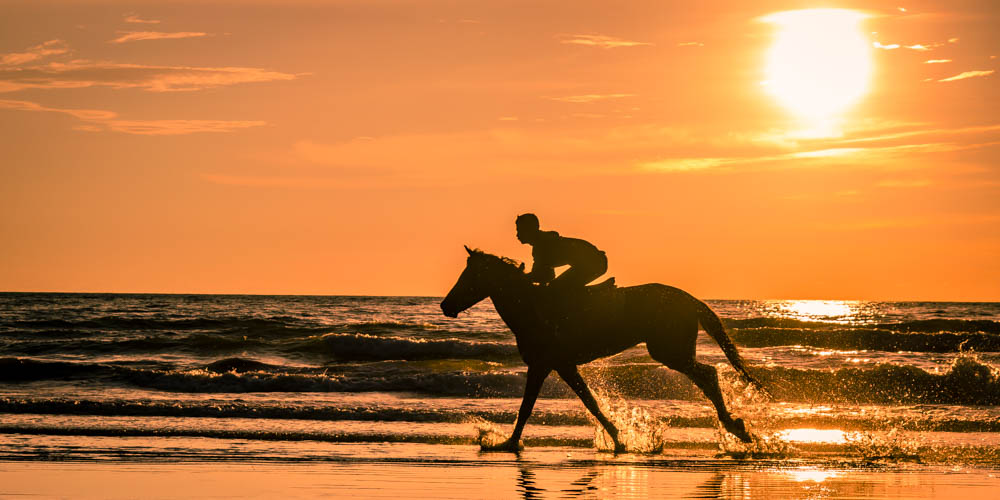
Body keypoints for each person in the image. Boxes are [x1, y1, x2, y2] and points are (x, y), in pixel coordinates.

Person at [515, 213, 608, 290]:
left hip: (595, 263)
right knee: (557, 286)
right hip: (595, 261)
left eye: (520, 230)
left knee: (556, 288)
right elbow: (547, 276)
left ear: (529, 230)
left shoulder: (542, 245)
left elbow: (543, 276)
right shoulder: (541, 244)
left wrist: (519, 279)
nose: (517, 235)